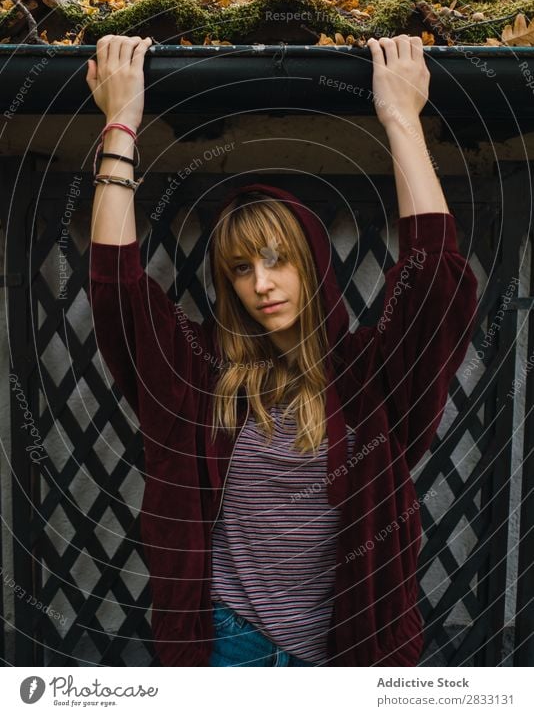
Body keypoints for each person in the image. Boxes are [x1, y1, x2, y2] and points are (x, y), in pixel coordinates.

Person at [87, 34, 478, 666]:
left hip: (348, 654)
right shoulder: (200, 375)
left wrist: (401, 118)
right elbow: (117, 292)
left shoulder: (371, 377)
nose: (261, 283)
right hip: (228, 647)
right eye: (241, 268)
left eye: (278, 259)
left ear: (313, 262)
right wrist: (121, 124)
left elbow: (437, 280)